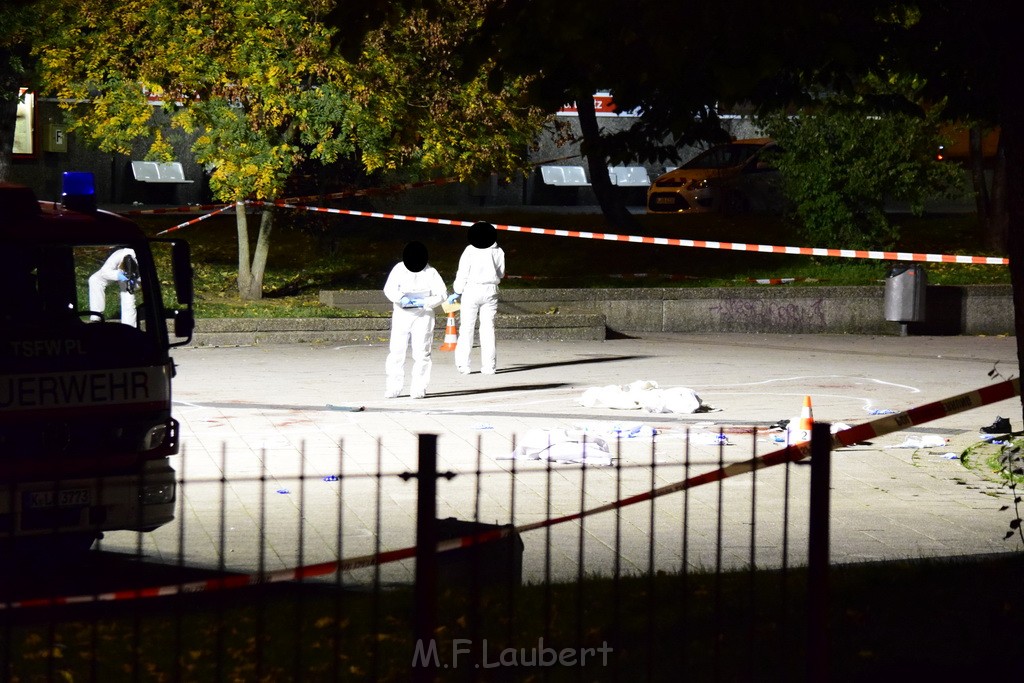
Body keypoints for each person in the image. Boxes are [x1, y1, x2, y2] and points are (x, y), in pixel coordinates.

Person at [382, 241, 447, 399]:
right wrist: (401, 298)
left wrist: (426, 303)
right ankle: (394, 387)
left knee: (422, 352)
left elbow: (442, 294)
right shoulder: (399, 269)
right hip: (402, 314)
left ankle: (419, 387)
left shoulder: (430, 272)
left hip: (423, 315)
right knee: (397, 351)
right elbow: (389, 289)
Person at [447, 221, 506, 375]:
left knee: (467, 328)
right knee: (488, 329)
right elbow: (501, 273)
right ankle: (489, 366)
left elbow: (462, 273)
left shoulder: (469, 250)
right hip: (491, 290)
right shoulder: (498, 251)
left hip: (471, 290)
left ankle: (463, 365)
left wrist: (457, 291)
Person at [88, 247, 139, 326]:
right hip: (116, 272)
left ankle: (129, 327)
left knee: (128, 299)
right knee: (94, 279)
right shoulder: (118, 254)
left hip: (132, 277)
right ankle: (96, 316)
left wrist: (133, 281)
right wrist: (118, 275)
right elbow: (104, 272)